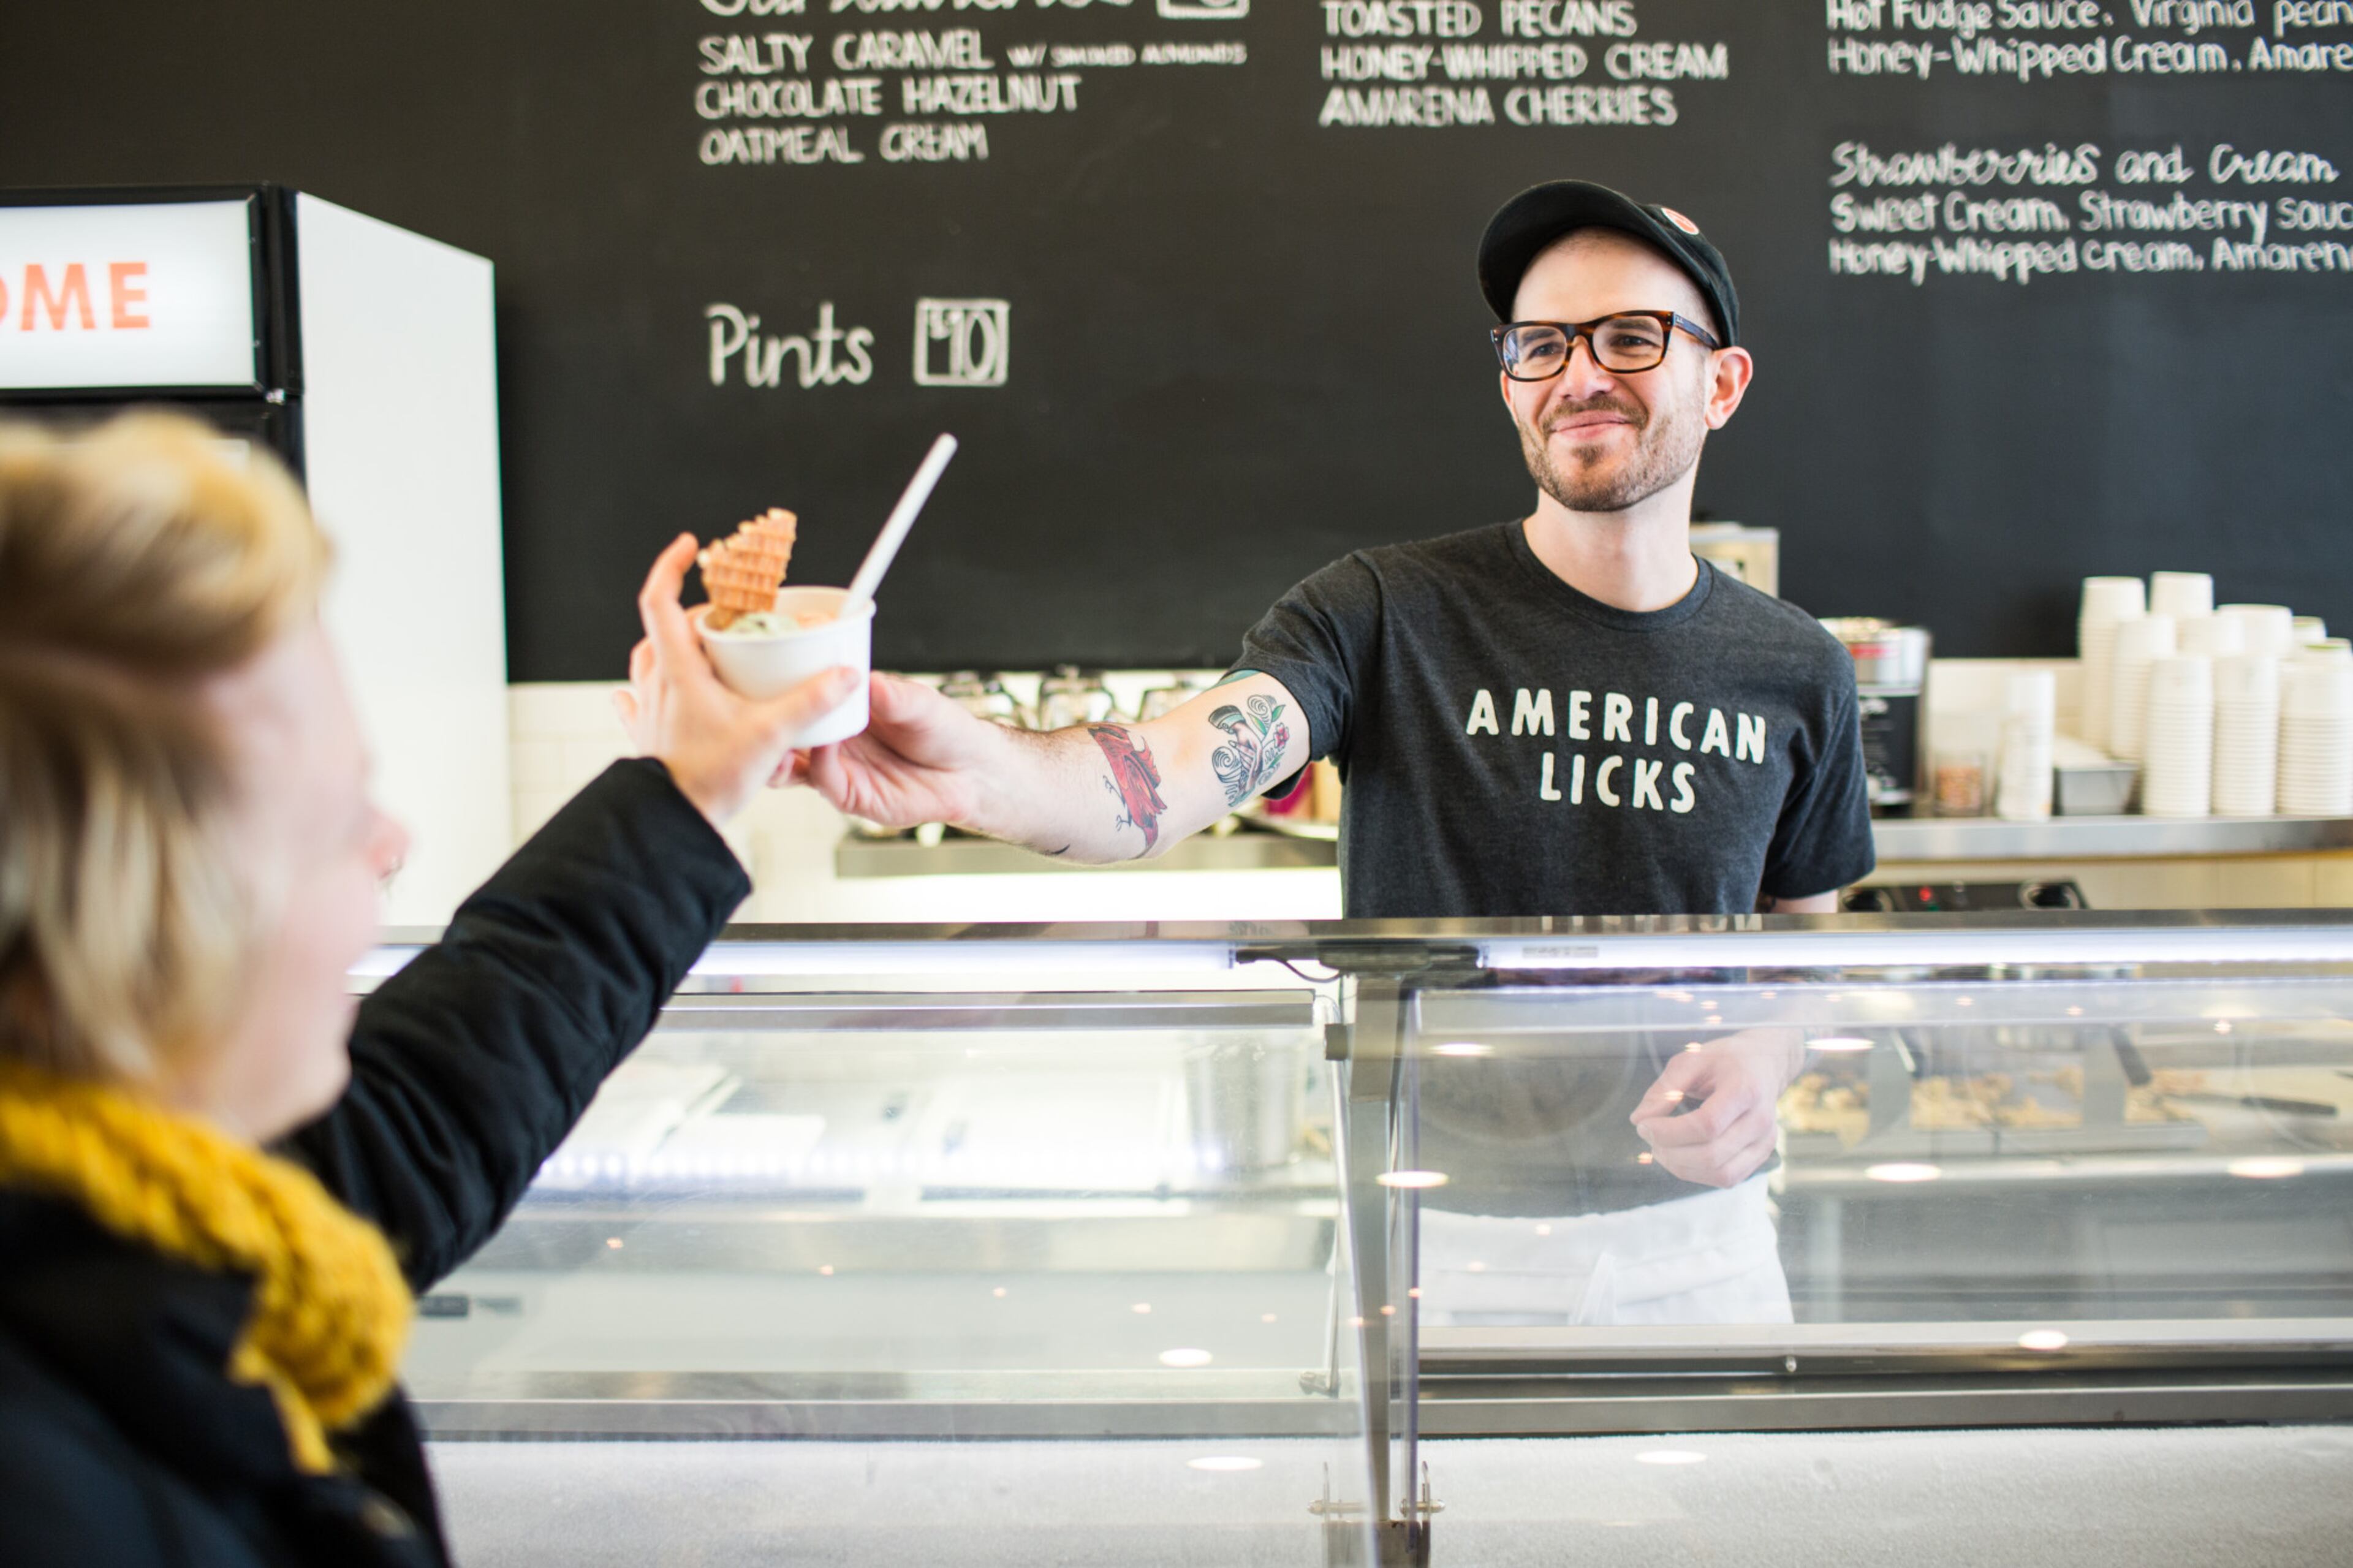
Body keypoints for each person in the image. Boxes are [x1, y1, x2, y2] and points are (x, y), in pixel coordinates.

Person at [793, 181, 1877, 1324]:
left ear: (1723, 383)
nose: (1579, 375)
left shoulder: (1798, 667)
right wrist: (976, 767)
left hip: (1700, 1247)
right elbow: (1163, 777)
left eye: (1631, 337)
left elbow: (1804, 944)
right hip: (1435, 1243)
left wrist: (1768, 1054)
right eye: (1542, 343)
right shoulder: (1384, 612)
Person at [0, 413, 849, 1566]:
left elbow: (414, 1115)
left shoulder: (130, 1204)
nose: (389, 845)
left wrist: (683, 793)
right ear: (138, 911)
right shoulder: (55, 1487)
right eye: (336, 817)